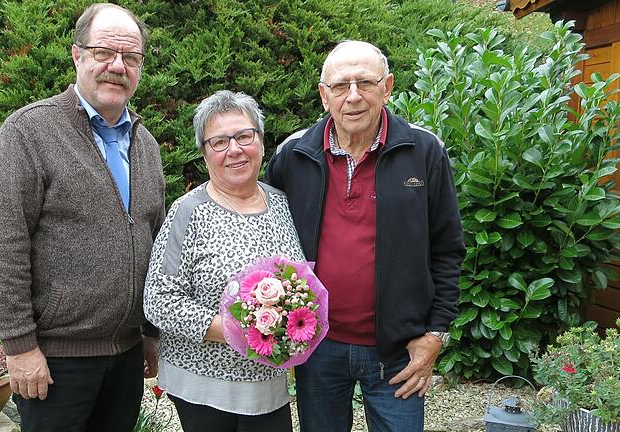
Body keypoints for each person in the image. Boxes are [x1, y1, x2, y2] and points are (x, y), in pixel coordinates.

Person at [0, 4, 165, 431]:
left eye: (130, 57)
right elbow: (2, 244)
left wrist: (149, 332)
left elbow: (155, 243)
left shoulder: (146, 145)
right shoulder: (28, 132)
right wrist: (21, 347)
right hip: (55, 363)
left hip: (126, 356)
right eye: (104, 52)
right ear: (77, 55)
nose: (117, 66)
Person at [264, 40, 465, 432]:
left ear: (387, 87)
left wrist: (435, 335)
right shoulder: (293, 155)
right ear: (324, 96)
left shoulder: (423, 151)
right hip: (317, 346)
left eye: (366, 83)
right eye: (341, 86)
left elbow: (448, 248)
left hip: (397, 351)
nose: (353, 96)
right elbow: (268, 243)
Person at [143, 90, 304, 432]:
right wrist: (236, 330)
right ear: (205, 154)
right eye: (219, 142)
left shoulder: (282, 205)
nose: (234, 149)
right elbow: (158, 299)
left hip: (267, 384)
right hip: (204, 384)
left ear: (260, 142)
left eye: (244, 136)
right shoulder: (188, 212)